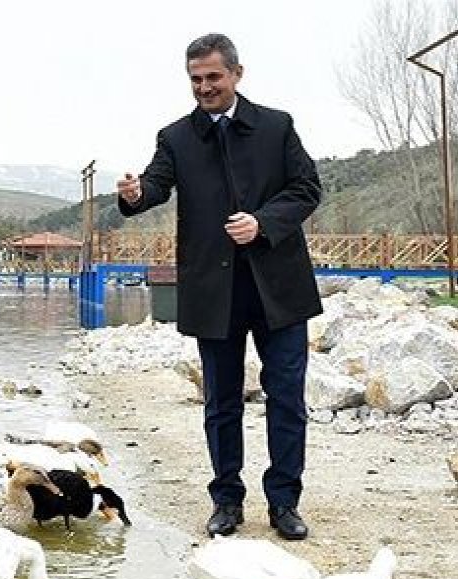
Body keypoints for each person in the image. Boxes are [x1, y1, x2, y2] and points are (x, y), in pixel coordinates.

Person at [116, 33, 322, 541]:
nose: (204, 87)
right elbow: (156, 184)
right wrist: (136, 194)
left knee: (287, 400)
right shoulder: (175, 137)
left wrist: (263, 223)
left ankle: (284, 503)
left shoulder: (277, 126)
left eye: (213, 77)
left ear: (236, 74)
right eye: (196, 79)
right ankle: (226, 500)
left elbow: (306, 189)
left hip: (279, 288)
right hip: (214, 290)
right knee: (221, 403)